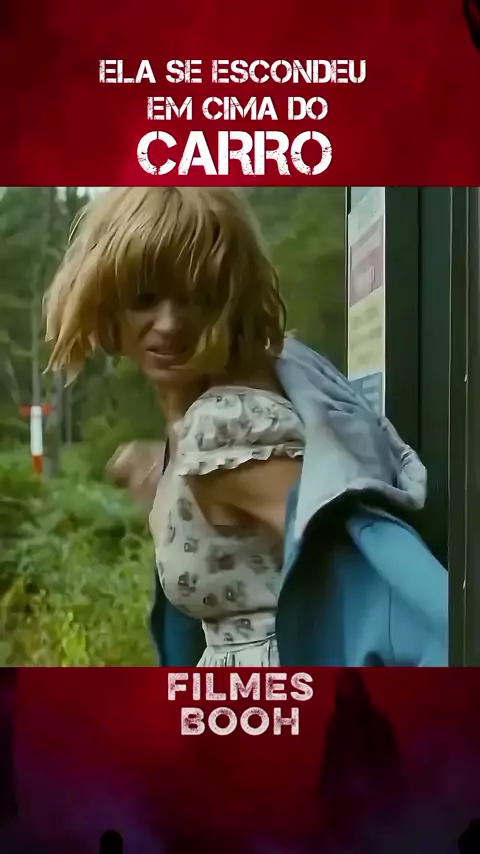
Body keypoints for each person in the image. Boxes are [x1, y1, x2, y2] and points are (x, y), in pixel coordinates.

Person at [44, 186, 448, 668]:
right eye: (144, 298)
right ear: (107, 302)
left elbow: (369, 574)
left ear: (230, 300)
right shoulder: (250, 391)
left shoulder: (222, 431)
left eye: (198, 297)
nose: (169, 323)